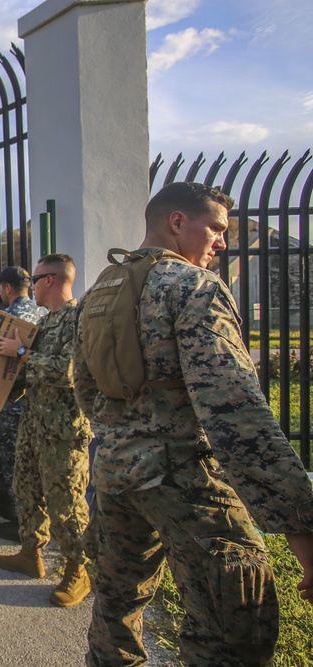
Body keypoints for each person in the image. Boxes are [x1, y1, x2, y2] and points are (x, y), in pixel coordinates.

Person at [74, 182, 313, 665]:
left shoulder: (100, 290)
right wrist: (303, 531)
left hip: (117, 476)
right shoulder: (193, 287)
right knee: (233, 625)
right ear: (177, 222)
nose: (223, 241)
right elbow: (237, 414)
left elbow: (85, 388)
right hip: (184, 476)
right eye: (217, 229)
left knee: (117, 606)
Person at [0, 255, 94, 607]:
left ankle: (78, 571)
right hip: (34, 423)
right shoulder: (47, 321)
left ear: (49, 279)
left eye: (35, 278)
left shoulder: (80, 318)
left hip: (63, 431)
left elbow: (69, 372)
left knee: (67, 503)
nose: (31, 285)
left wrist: (19, 352)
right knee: (27, 489)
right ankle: (31, 554)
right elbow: (30, 369)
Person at [0, 266, 45, 540]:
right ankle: (7, 503)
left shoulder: (10, 317)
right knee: (15, 455)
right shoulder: (42, 313)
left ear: (7, 288)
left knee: (12, 458)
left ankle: (18, 518)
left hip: (15, 397)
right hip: (35, 397)